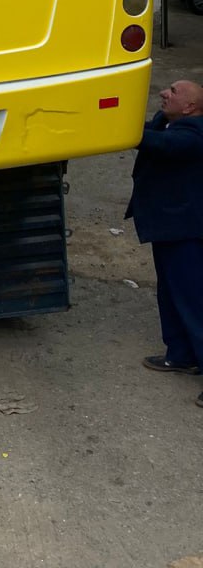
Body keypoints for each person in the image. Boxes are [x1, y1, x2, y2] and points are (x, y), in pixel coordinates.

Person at [126, 79, 203, 405]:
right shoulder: (171, 123)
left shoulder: (194, 135)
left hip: (186, 230)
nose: (163, 92)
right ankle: (181, 354)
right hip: (169, 227)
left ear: (189, 107)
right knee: (171, 293)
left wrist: (119, 130)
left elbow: (159, 145)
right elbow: (154, 131)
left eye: (173, 91)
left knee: (194, 301)